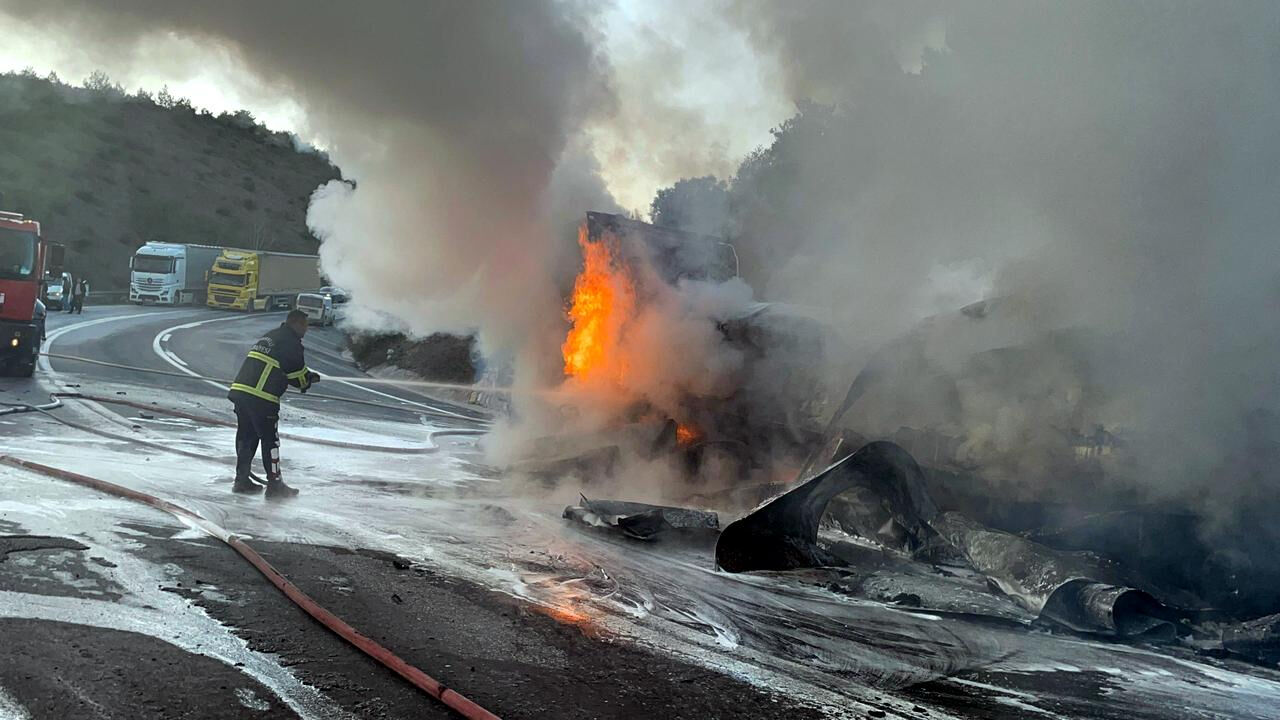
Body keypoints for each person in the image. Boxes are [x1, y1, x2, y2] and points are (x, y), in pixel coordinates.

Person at [227, 310, 320, 497]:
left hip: (241, 393)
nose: (306, 330)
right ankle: (275, 485)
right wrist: (308, 379)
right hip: (262, 398)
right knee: (271, 441)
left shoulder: (271, 337)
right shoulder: (291, 343)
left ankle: (241, 480)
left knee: (247, 437)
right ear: (297, 324)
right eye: (305, 326)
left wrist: (303, 376)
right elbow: (297, 377)